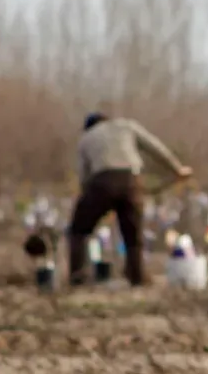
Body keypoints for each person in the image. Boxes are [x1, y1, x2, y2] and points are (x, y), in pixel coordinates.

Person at [68, 112, 193, 286]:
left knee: (78, 231)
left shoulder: (86, 138)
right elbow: (154, 147)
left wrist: (90, 201)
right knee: (133, 234)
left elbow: (84, 176)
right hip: (132, 182)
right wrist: (177, 169)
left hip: (101, 182)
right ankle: (137, 277)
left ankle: (77, 276)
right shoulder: (127, 126)